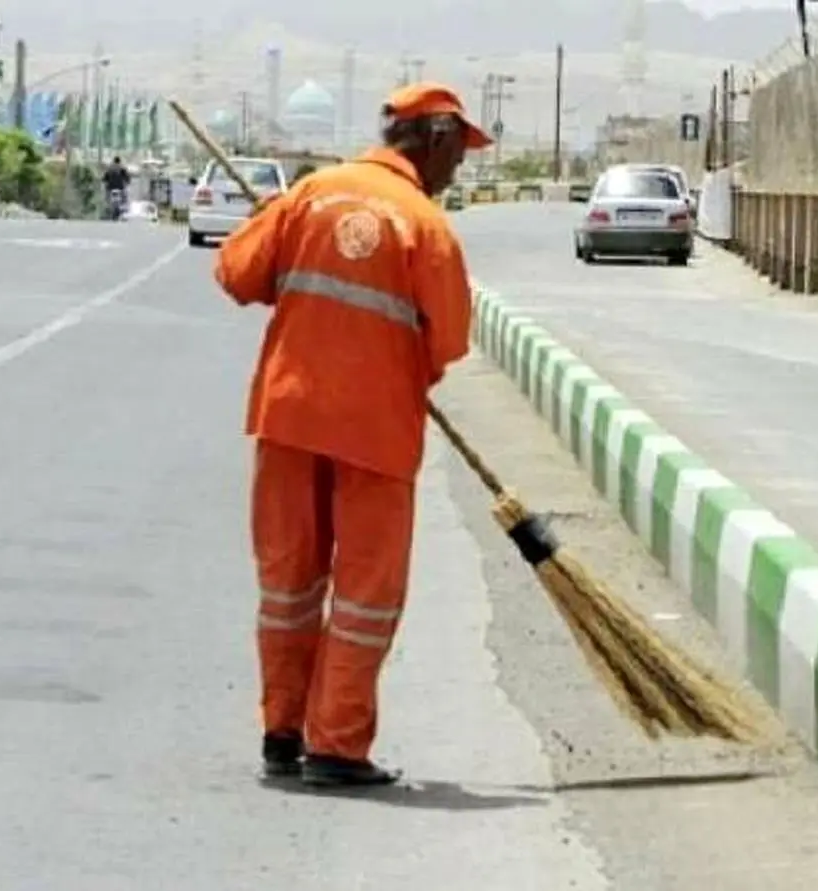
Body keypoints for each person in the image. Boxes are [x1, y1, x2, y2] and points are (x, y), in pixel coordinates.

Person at [213, 83, 492, 788]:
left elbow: (236, 274)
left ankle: (283, 731)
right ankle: (335, 743)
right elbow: (451, 341)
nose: (459, 168)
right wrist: (401, 361)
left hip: (288, 417)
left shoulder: (311, 194)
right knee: (366, 593)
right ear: (433, 141)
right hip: (376, 431)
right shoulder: (426, 226)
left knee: (288, 584)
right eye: (459, 153)